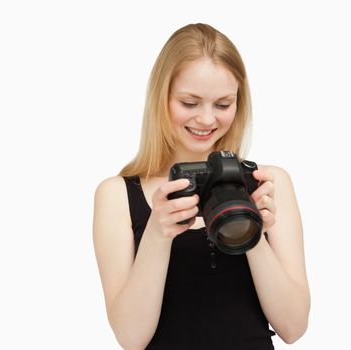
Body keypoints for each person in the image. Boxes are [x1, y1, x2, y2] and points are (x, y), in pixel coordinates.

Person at [92, 23, 310, 350]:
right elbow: (131, 337)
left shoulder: (268, 183)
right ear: (161, 98)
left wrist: (250, 230)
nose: (207, 120)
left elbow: (293, 327)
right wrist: (157, 232)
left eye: (223, 104)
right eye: (190, 103)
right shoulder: (117, 195)